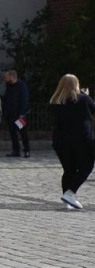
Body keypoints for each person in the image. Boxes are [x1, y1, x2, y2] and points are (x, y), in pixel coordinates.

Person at [48, 74, 95, 209]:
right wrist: (86, 95)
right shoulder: (84, 99)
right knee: (87, 166)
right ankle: (70, 193)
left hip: (61, 140)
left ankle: (68, 199)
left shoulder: (55, 101)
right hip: (82, 139)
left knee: (69, 170)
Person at [2, 68, 32, 157]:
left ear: (12, 76)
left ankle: (27, 150)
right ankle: (16, 150)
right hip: (10, 114)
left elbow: (24, 99)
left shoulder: (21, 85)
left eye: (7, 76)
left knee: (23, 132)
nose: (5, 78)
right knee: (12, 133)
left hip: (19, 115)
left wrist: (22, 113)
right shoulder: (8, 86)